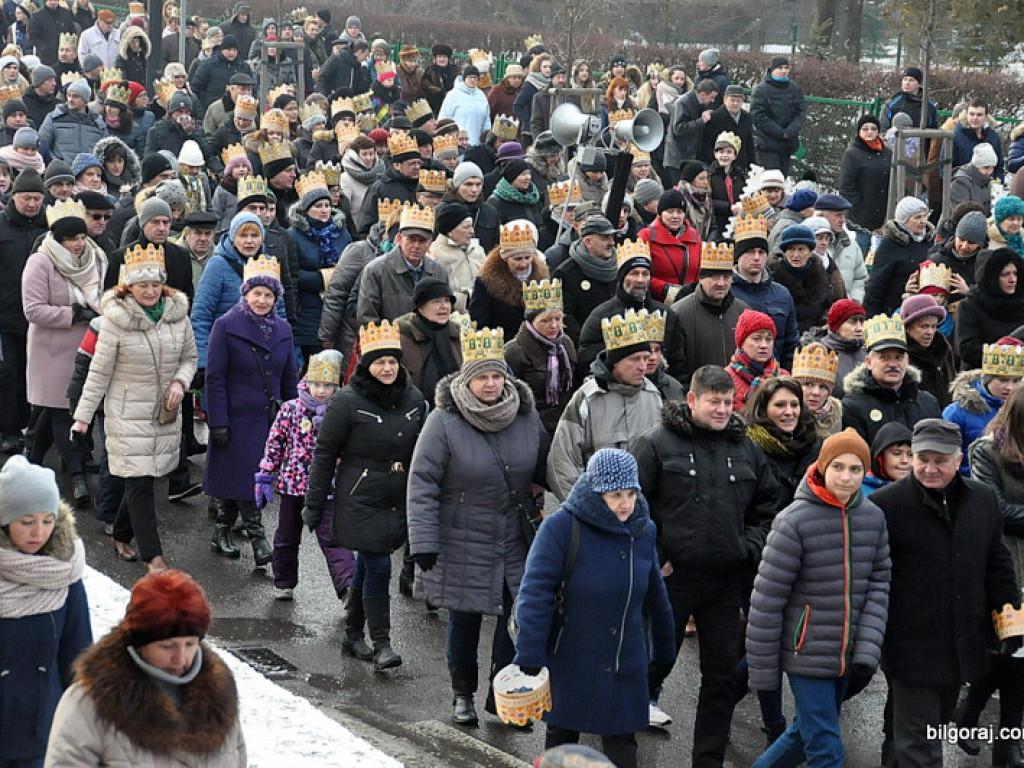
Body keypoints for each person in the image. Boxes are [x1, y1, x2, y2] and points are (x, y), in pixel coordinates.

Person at [634, 364, 779, 760]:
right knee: (654, 662)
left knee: (719, 678)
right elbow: (631, 505)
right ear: (692, 400)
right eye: (714, 401)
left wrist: (748, 546)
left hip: (725, 583)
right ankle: (617, 734)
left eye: (728, 402)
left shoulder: (746, 448)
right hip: (672, 580)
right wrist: (657, 556)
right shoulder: (656, 444)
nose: (721, 410)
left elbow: (768, 507)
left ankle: (708, 759)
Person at [407, 327, 548, 726]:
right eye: (482, 377)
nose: (491, 384)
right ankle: (462, 693)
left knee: (514, 618)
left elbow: (546, 465)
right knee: (465, 617)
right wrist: (423, 541)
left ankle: (501, 694)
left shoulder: (524, 414)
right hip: (463, 535)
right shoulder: (443, 420)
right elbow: (422, 482)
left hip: (514, 534)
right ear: (466, 380)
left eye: (497, 375)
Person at [871, 419, 1021, 768]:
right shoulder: (885, 505)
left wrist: (1010, 621)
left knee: (926, 732)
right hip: (910, 646)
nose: (929, 468)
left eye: (940, 460)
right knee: (920, 748)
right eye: (922, 458)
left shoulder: (982, 501)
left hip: (962, 643)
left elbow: (997, 565)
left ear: (958, 460)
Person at [514, 448, 676, 768]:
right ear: (597, 491)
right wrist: (530, 652)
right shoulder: (561, 527)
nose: (626, 503)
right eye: (616, 495)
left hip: (624, 661)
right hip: (573, 658)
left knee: (623, 748)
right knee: (562, 745)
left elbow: (656, 596)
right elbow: (535, 592)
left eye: (631, 494)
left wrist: (664, 648)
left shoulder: (643, 529)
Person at [746, 428, 891, 768]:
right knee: (826, 749)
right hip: (805, 651)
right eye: (838, 466)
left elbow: (879, 583)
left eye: (856, 469)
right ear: (823, 467)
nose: (846, 476)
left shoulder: (873, 517)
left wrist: (867, 645)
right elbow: (767, 599)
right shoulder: (793, 521)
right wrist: (763, 669)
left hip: (846, 651)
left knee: (805, 732)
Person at [302, 323, 426, 669]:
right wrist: (313, 505)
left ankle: (354, 633)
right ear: (366, 365)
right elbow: (325, 454)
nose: (387, 368)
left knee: (367, 568)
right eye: (379, 362)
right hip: (359, 495)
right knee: (378, 563)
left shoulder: (414, 400)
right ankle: (382, 641)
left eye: (392, 361)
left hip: (397, 496)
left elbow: (425, 452)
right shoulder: (347, 401)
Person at [71, 243, 198, 571]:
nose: (150, 291)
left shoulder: (177, 317)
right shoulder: (116, 322)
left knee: (145, 477)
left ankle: (122, 533)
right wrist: (83, 417)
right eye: (143, 285)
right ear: (129, 286)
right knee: (140, 482)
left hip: (163, 413)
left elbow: (189, 359)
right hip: (126, 414)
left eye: (156, 285)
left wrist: (179, 383)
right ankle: (153, 557)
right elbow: (98, 372)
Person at [45, 569, 247, 765]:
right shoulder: (89, 702)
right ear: (140, 643)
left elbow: (237, 756)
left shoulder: (220, 694)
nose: (181, 658)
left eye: (190, 644)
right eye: (167, 647)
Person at [204, 255, 298, 567]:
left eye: (268, 295)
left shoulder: (283, 329)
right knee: (245, 476)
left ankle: (221, 531)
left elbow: (289, 378)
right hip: (234, 417)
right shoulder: (226, 325)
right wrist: (217, 420)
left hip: (267, 418)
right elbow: (214, 377)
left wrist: (294, 417)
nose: (261, 300)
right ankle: (258, 538)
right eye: (256, 293)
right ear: (245, 294)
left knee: (243, 477)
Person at [0, 455, 91, 768]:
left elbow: (78, 658)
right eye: (26, 522)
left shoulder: (64, 575)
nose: (38, 532)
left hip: (42, 732)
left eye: (47, 520)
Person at [250, 349, 355, 600]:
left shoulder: (340, 411)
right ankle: (284, 582)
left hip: (327, 488)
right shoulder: (290, 409)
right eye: (316, 384)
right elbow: (275, 443)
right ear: (306, 383)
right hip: (292, 485)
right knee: (286, 537)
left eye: (328, 385)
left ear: (336, 386)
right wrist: (265, 473)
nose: (321, 391)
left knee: (333, 539)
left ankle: (349, 586)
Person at [22, 200, 107, 510]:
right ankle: (77, 475)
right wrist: (73, 313)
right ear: (58, 239)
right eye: (73, 239)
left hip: (85, 345)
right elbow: (32, 309)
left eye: (83, 237)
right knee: (63, 412)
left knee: (54, 412)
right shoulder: (40, 262)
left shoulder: (94, 257)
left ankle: (30, 462)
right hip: (51, 351)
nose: (80, 244)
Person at [964, 387, 1024, 767]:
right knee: (1012, 656)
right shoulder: (987, 451)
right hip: (1005, 569)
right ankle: (1006, 743)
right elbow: (994, 509)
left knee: (1014, 659)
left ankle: (970, 717)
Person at [548, 309, 663, 501]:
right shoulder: (588, 398)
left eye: (645, 358)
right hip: (596, 508)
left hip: (642, 510)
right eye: (635, 359)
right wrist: (582, 507)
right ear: (615, 362)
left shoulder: (653, 397)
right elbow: (562, 460)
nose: (643, 366)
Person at [841, 312, 941, 446]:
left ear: (907, 361)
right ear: (869, 362)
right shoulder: (853, 406)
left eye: (898, 357)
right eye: (885, 357)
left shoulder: (928, 403)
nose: (893, 364)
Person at [286, 171, 350, 360]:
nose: (324, 210)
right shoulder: (293, 235)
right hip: (307, 310)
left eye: (327, 205)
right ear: (305, 210)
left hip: (338, 307)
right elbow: (292, 274)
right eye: (318, 206)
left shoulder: (342, 232)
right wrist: (325, 278)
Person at [504, 278, 577, 436]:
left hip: (565, 424)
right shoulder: (514, 351)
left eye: (558, 319)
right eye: (545, 320)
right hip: (532, 426)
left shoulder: (566, 343)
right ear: (531, 322)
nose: (554, 326)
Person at [944, 338, 1024, 475]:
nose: (1010, 387)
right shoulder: (957, 412)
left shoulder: (1020, 410)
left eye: (1016, 381)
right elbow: (946, 457)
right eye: (1002, 380)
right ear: (987, 379)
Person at [730, 214, 799, 370]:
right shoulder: (726, 292)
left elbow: (790, 344)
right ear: (738, 256)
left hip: (773, 377)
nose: (756, 258)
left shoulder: (782, 294)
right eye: (750, 252)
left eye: (761, 252)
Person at [672, 241, 750, 370]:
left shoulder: (743, 311)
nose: (721, 283)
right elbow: (677, 364)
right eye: (714, 277)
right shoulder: (680, 313)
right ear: (701, 279)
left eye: (726, 277)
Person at [470, 220, 550, 338]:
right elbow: (481, 325)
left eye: (527, 258)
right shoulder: (486, 282)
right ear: (505, 258)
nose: (523, 264)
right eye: (517, 259)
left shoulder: (543, 278)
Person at [395, 277, 463, 406]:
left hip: (457, 408)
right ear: (420, 308)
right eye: (436, 301)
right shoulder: (402, 339)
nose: (444, 306)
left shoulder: (459, 336)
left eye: (447, 301)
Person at [863, 196, 935, 316]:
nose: (923, 221)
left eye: (924, 216)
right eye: (917, 217)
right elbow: (876, 285)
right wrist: (870, 319)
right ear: (904, 221)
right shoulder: (890, 245)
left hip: (927, 309)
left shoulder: (930, 242)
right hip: (895, 310)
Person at [770, 224, 846, 333]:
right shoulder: (773, 276)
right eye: (791, 249)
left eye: (801, 250)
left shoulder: (822, 275)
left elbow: (832, 306)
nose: (796, 255)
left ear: (810, 252)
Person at [958, 247, 1024, 370]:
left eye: (1015, 273)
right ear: (992, 277)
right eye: (1005, 274)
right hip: (981, 377)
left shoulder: (1021, 304)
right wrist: (1004, 350)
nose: (1012, 280)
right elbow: (967, 349)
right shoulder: (970, 306)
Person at [638, 188, 702, 304]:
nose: (675, 216)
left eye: (679, 211)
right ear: (660, 213)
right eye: (670, 211)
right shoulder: (646, 236)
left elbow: (699, 270)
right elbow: (640, 274)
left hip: (691, 302)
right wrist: (665, 288)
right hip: (657, 302)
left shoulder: (694, 236)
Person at [839, 114, 892, 242]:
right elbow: (846, 185)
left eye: (873, 129)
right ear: (859, 131)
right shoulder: (852, 154)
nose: (870, 132)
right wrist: (857, 207)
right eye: (865, 129)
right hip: (861, 216)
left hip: (884, 214)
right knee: (862, 249)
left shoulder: (888, 153)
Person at [750, 56, 806, 175]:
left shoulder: (795, 88)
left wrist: (791, 130)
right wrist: (780, 132)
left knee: (782, 180)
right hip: (768, 144)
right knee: (771, 180)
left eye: (786, 68)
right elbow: (758, 116)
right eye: (780, 68)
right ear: (772, 69)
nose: (784, 71)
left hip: (787, 144)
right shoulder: (761, 89)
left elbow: (801, 112)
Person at [429, 201, 486, 312]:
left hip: (482, 312)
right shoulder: (435, 253)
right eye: (466, 228)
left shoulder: (478, 250)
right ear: (450, 231)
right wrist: (466, 299)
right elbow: (435, 292)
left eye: (471, 227)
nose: (472, 232)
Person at [900, 293, 955, 407]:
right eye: (924, 326)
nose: (930, 332)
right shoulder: (900, 353)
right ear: (908, 327)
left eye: (933, 326)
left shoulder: (943, 349)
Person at [729, 309, 789, 412]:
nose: (764, 345)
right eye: (756, 339)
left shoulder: (784, 377)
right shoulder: (728, 377)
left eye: (769, 339)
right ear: (741, 343)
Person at [819, 298, 866, 399]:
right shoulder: (821, 353)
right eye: (852, 322)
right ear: (837, 327)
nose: (859, 328)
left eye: (861, 322)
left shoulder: (869, 352)